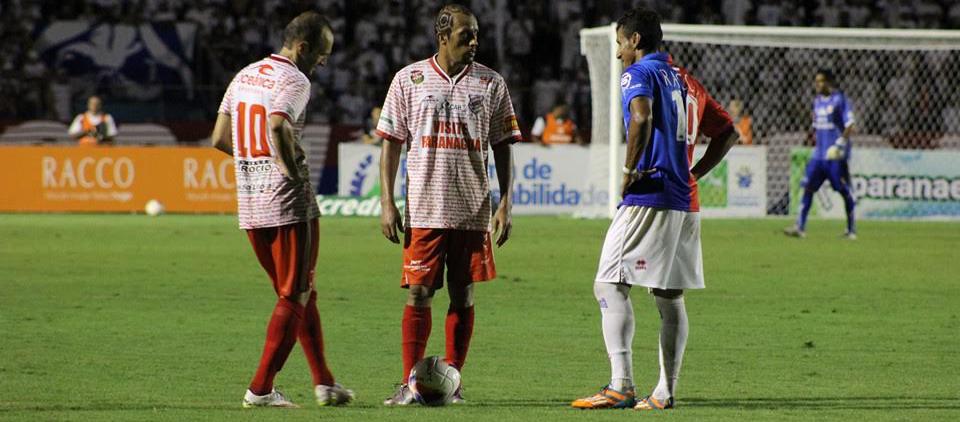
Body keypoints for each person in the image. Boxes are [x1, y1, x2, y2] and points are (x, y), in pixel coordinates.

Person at [571, 7, 738, 411]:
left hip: (651, 193)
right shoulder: (687, 80)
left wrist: (628, 170)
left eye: (619, 43)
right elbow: (729, 132)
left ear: (634, 41)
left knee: (608, 283)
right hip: (685, 199)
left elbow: (640, 117)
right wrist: (692, 172)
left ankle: (620, 385)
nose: (616, 54)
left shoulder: (639, 73)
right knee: (668, 295)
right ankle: (664, 392)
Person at [376, 3, 521, 406]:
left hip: (473, 210)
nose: (474, 42)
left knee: (463, 296)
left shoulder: (492, 83)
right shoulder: (409, 80)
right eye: (465, 36)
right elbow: (389, 144)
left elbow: (504, 146)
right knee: (419, 294)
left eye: (476, 35)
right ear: (443, 37)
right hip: (424, 208)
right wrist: (387, 203)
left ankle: (452, 383)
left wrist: (506, 202)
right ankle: (410, 384)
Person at [210, 11, 353, 408]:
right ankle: (260, 390)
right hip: (288, 205)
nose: (323, 62)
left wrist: (255, 160)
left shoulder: (244, 75)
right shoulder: (294, 78)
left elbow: (220, 137)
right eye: (322, 54)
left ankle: (324, 381)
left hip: (252, 203)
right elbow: (277, 124)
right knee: (295, 294)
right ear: (303, 47)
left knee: (299, 293)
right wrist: (288, 171)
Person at [784, 69, 856, 239]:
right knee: (808, 188)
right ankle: (800, 227)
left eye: (821, 81)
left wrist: (840, 144)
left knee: (843, 190)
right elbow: (817, 128)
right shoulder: (817, 102)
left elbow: (850, 124)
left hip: (834, 157)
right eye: (816, 81)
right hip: (818, 156)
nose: (817, 84)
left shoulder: (839, 100)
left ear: (829, 83)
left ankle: (851, 229)